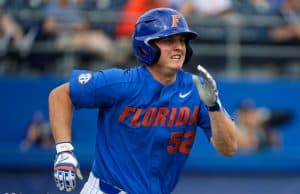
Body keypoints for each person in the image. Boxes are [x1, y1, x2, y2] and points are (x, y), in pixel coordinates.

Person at [48, 8, 238, 193]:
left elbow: (229, 148)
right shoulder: (121, 82)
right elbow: (60, 95)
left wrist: (214, 106)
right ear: (146, 45)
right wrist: (64, 151)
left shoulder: (197, 88)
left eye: (182, 40)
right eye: (169, 40)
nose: (179, 47)